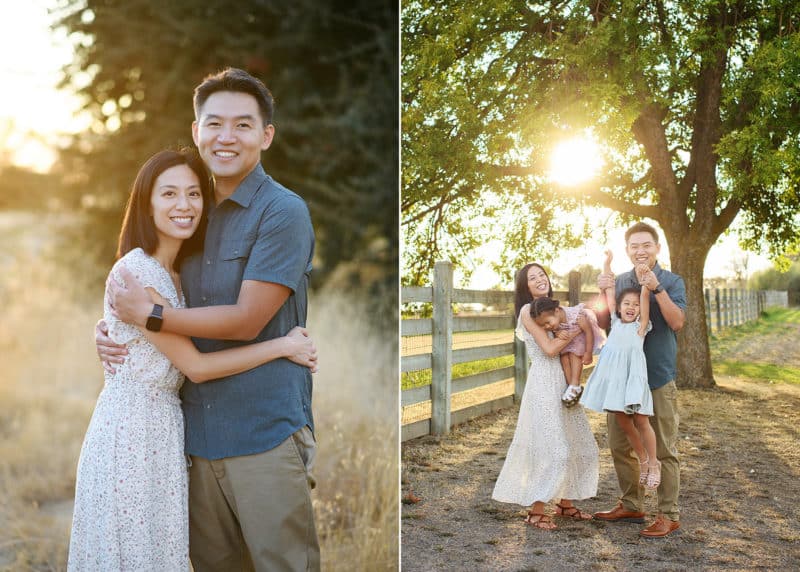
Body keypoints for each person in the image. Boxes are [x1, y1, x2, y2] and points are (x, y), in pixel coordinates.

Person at [95, 68, 320, 570]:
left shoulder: (282, 212)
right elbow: (145, 276)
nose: (226, 136)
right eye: (214, 123)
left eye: (243, 125)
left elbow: (245, 320)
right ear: (196, 132)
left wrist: (149, 318)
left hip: (263, 431)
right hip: (190, 439)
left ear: (266, 136)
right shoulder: (190, 211)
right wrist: (115, 328)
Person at [593, 222, 686, 538]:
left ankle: (668, 514)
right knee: (620, 444)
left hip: (656, 375)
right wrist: (601, 286)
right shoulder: (619, 282)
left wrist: (656, 288)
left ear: (657, 248)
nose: (640, 251)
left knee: (663, 448)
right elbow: (607, 319)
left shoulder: (672, 281)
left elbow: (677, 323)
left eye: (646, 245)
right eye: (634, 246)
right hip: (621, 379)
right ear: (627, 249)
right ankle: (632, 504)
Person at [491, 263, 599, 530]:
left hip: (563, 380)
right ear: (525, 287)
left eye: (542, 275)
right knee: (553, 447)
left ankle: (565, 503)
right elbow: (550, 349)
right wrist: (577, 329)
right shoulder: (529, 311)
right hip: (543, 382)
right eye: (532, 278)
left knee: (578, 442)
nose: (540, 280)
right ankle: (536, 510)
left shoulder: (557, 308)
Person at [580, 250, 661, 489]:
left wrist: (646, 278)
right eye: (627, 303)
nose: (631, 307)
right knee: (623, 421)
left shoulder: (641, 327)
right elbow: (608, 292)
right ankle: (643, 459)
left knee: (641, 420)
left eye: (634, 305)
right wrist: (606, 263)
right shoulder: (615, 322)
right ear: (620, 307)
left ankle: (654, 463)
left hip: (633, 380)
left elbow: (645, 297)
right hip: (614, 380)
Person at [529, 296, 603, 407]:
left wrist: (588, 353)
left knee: (574, 355)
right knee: (564, 358)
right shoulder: (555, 321)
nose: (547, 327)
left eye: (547, 323)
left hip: (580, 339)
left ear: (557, 311)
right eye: (543, 325)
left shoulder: (577, 316)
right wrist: (558, 333)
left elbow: (589, 332)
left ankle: (575, 383)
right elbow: (556, 329)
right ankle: (572, 387)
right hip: (568, 342)